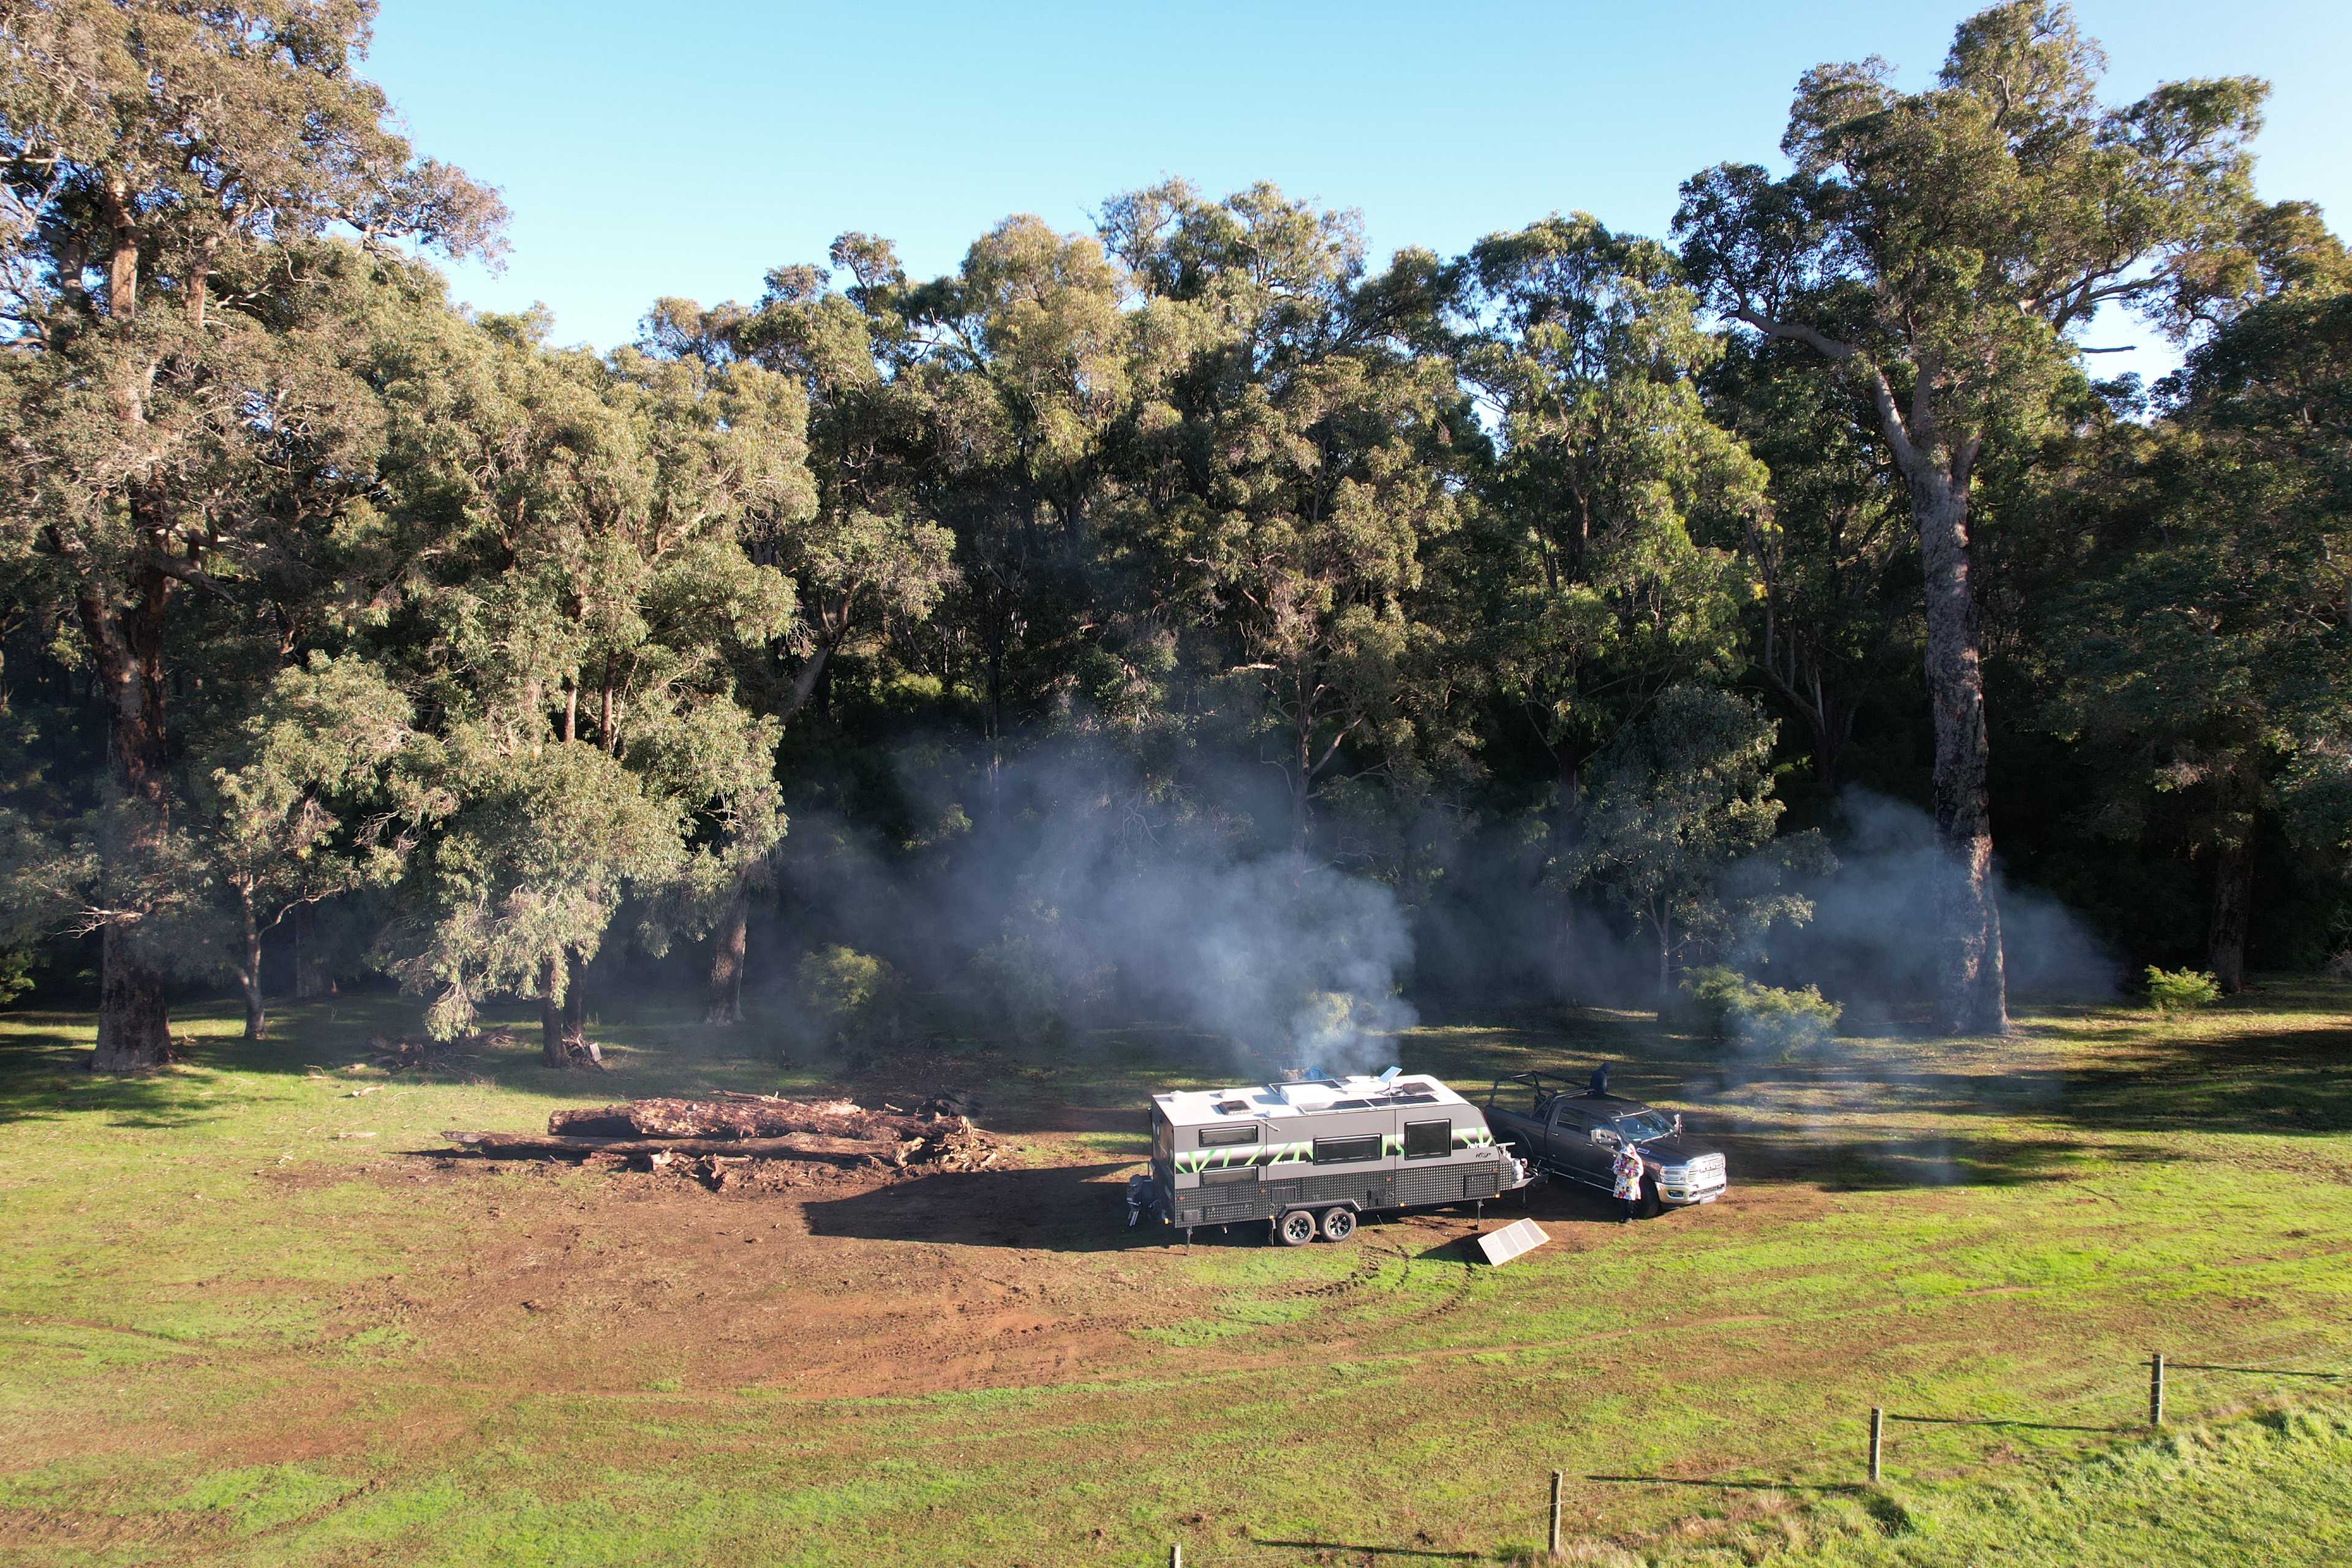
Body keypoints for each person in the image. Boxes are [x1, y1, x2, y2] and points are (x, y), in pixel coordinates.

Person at [1611, 1137, 1646, 1223]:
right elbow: (1615, 1166)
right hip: (1621, 1184)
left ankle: (1629, 1216)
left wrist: (1629, 1172)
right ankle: (1623, 1215)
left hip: (1631, 1184)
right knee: (1621, 1200)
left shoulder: (1637, 1160)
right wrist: (1619, 1170)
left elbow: (1639, 1172)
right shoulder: (1620, 1157)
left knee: (1630, 1201)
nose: (1626, 1156)